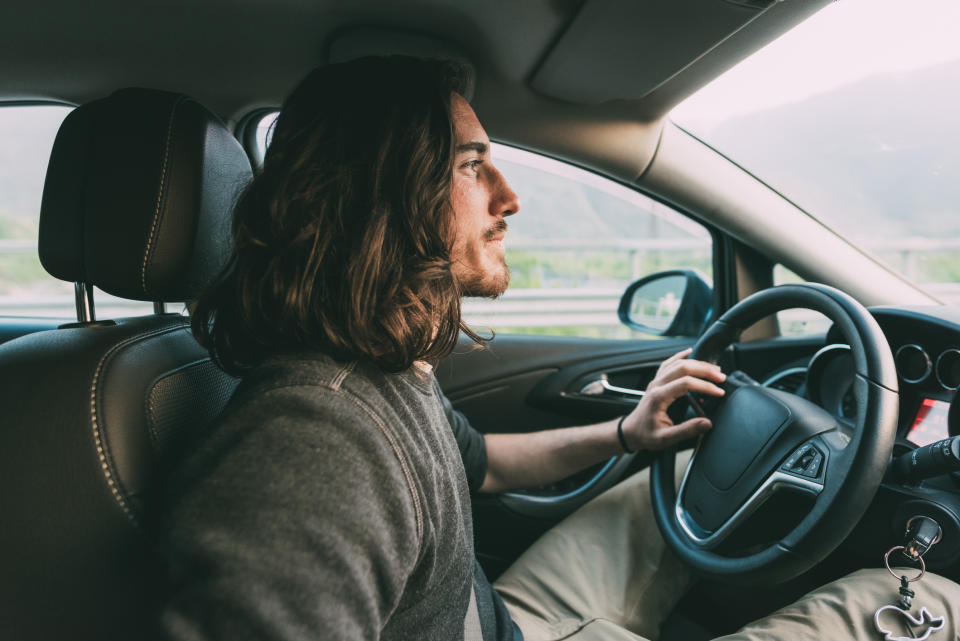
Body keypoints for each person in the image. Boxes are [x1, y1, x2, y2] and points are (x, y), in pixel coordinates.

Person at [156, 56, 960, 641]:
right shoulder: (315, 440)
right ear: (383, 197)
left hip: (495, 617)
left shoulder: (379, 363)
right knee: (922, 600)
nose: (510, 197)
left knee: (658, 488)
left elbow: (484, 464)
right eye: (474, 167)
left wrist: (627, 433)